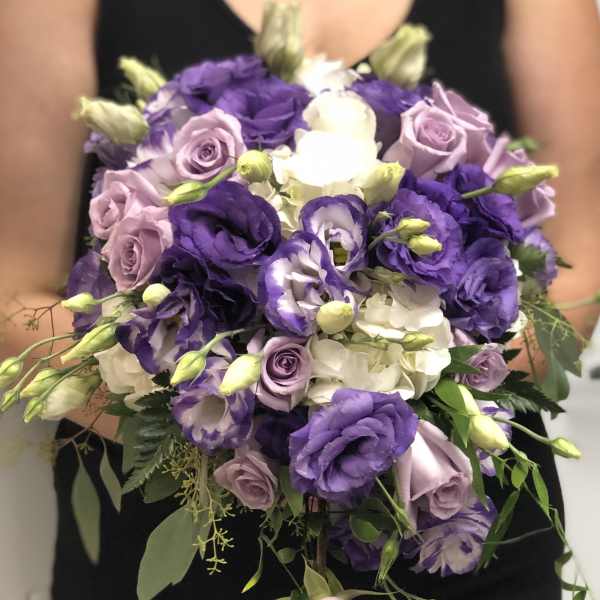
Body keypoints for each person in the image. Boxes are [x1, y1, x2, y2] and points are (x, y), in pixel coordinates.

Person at [1, 0, 600, 598]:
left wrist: (416, 412)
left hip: (455, 526)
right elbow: (14, 298)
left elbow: (580, 270)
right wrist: (246, 435)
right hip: (190, 543)